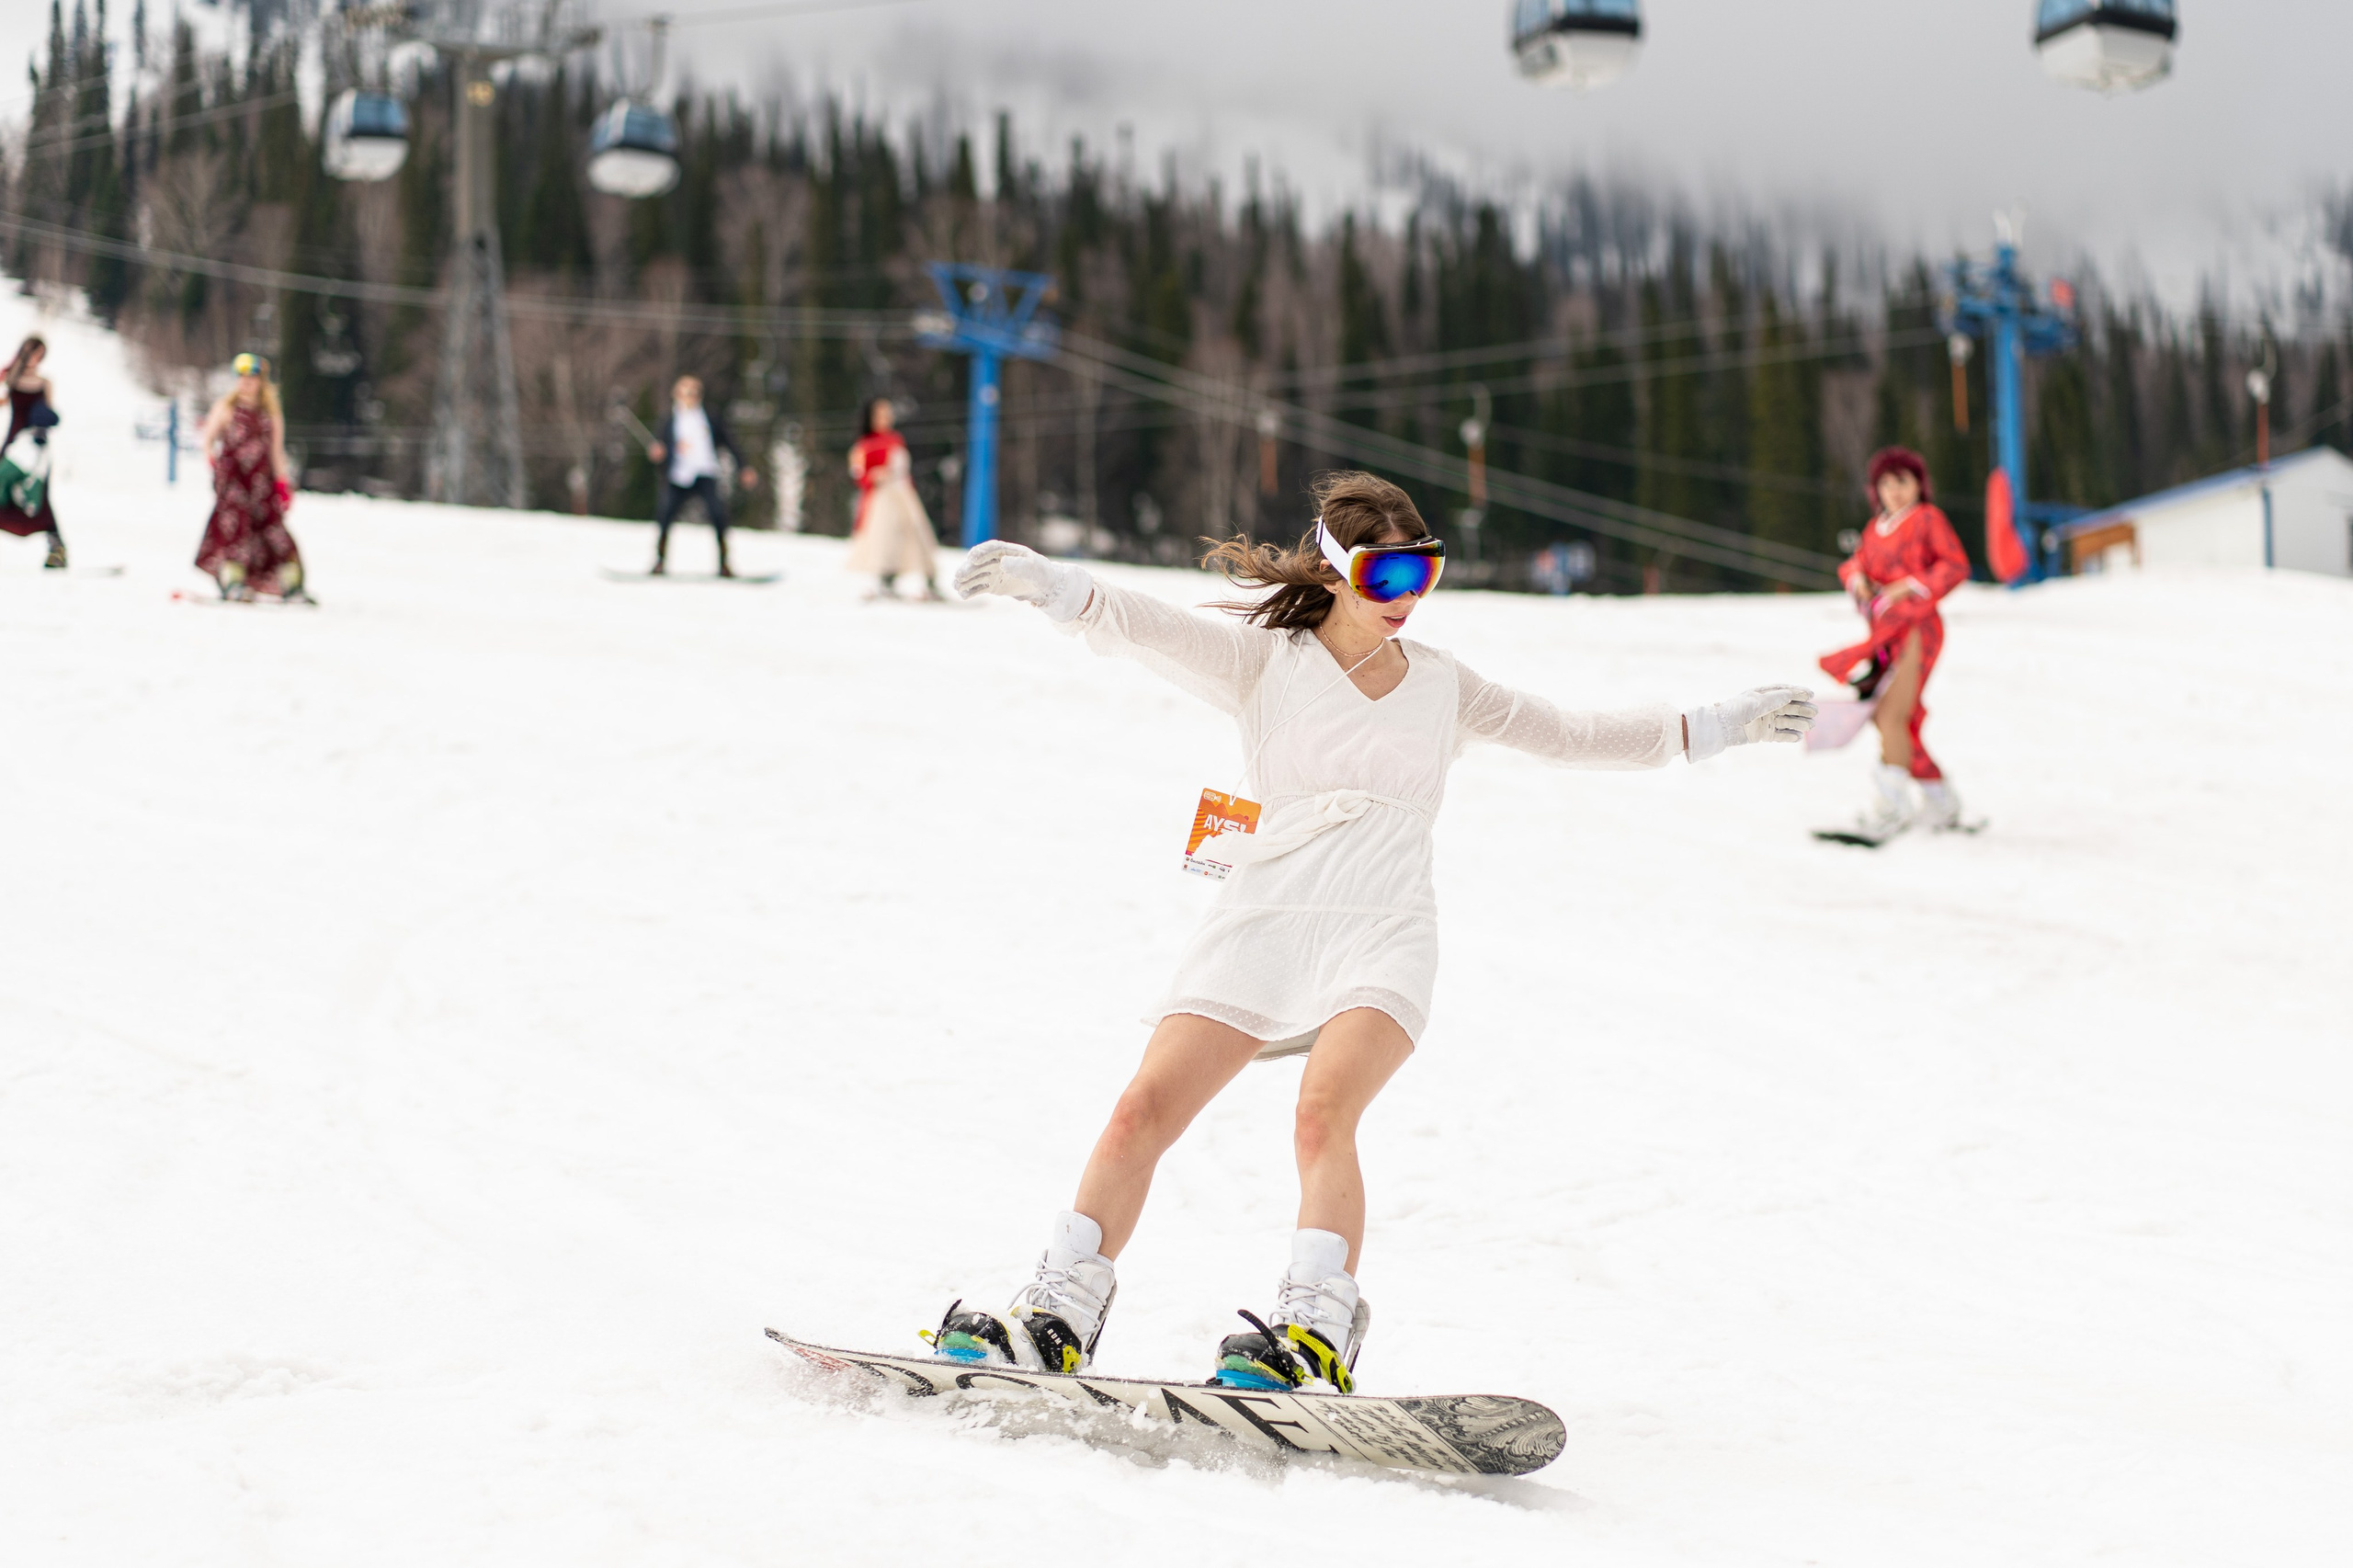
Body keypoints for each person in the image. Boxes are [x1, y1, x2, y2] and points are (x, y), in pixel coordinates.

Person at [940, 471, 1816, 1392]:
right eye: (1385, 576)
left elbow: (1570, 731)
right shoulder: (1264, 662)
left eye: (1422, 573)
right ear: (1333, 568)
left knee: (1322, 1113)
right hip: (1265, 915)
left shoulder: (1442, 685)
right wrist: (1052, 584)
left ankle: (1311, 1330)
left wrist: (1710, 726)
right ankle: (1055, 1318)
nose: (1406, 598)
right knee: (1140, 1110)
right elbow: (1145, 624)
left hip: (1383, 924)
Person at [1817, 447, 1972, 840]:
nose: (1894, 491)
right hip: (1886, 636)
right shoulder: (1875, 528)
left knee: (1890, 716)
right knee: (1901, 720)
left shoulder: (1927, 519)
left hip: (1918, 629)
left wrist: (1910, 585)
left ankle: (1892, 807)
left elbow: (1955, 565)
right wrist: (1859, 580)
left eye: (1902, 481)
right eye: (1885, 484)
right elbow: (1855, 563)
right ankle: (1941, 801)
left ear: (1919, 484)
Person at [194, 353, 309, 604]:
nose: (246, 382)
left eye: (252, 377)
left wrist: (282, 484)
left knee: (273, 532)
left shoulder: (270, 414)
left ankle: (290, 584)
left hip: (261, 483)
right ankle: (232, 581)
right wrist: (215, 465)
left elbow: (276, 451)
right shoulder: (226, 408)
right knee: (235, 530)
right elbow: (208, 440)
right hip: (233, 483)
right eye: (242, 376)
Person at [644, 376, 756, 577]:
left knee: (718, 516)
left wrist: (744, 467)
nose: (690, 397)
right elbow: (661, 447)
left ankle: (724, 564)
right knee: (665, 517)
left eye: (694, 393)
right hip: (679, 476)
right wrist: (659, 454)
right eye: (686, 393)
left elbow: (730, 442)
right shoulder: (669, 420)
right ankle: (659, 562)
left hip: (705, 474)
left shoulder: (710, 418)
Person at [843, 397, 942, 600]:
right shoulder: (865, 445)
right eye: (880, 414)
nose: (886, 418)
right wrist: (874, 476)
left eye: (888, 413)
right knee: (887, 539)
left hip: (904, 495)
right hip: (883, 500)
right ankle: (886, 580)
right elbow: (858, 474)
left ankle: (929, 581)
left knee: (917, 534)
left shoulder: (896, 439)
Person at [0, 335, 65, 569]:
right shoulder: (11, 378)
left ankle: (57, 550)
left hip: (35, 446)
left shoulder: (45, 383)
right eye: (32, 352)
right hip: (13, 443)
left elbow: (49, 414)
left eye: (39, 354)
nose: (35, 358)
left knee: (39, 495)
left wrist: (43, 423)